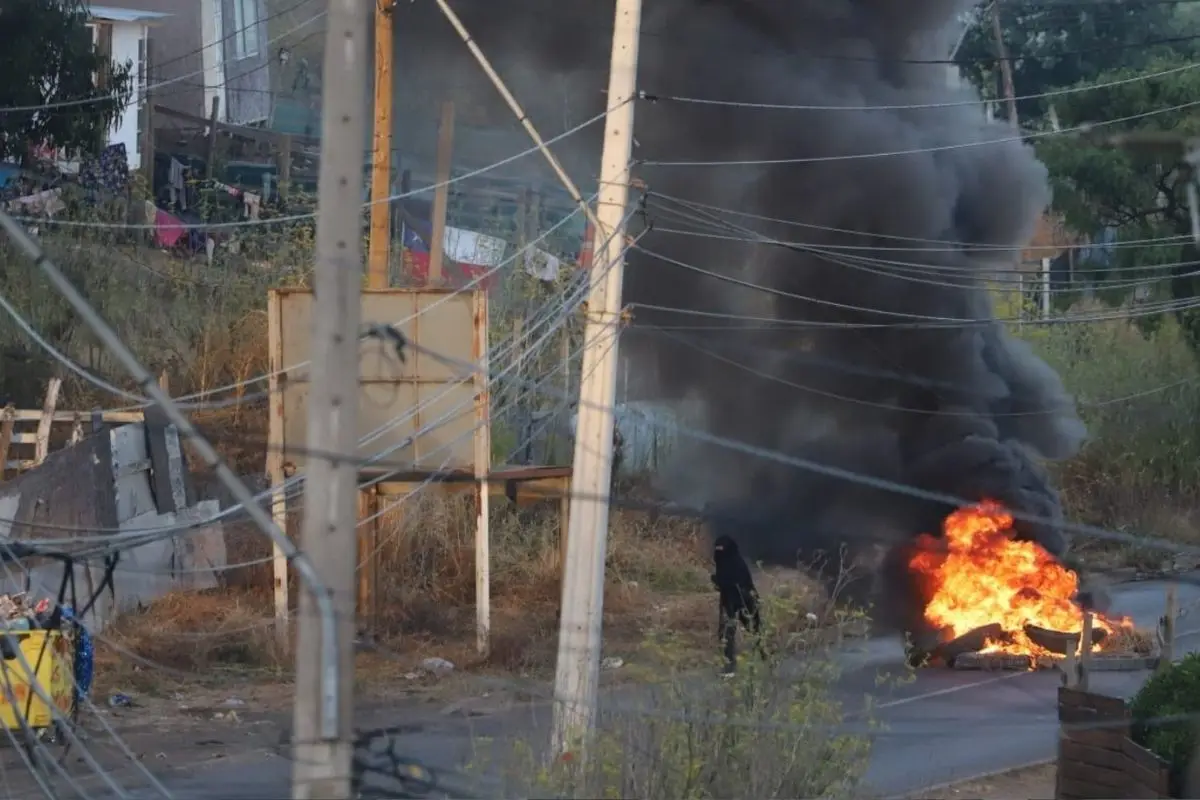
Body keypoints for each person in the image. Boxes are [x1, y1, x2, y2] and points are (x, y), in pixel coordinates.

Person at [711, 535, 764, 676]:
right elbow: (723, 581)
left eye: (722, 549)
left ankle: (766, 656)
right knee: (726, 634)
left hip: (744, 600)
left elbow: (737, 582)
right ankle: (729, 665)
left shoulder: (737, 563)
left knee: (754, 630)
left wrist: (719, 581)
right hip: (728, 599)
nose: (719, 553)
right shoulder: (722, 561)